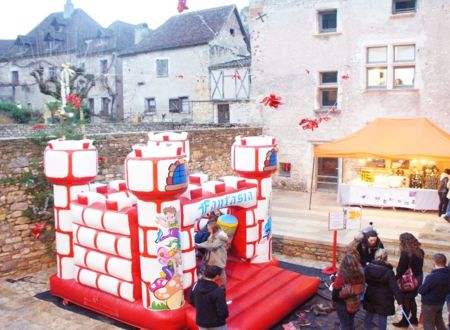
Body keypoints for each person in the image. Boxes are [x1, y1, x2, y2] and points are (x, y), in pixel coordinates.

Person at [363, 249, 403, 330]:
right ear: (386, 258)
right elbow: (394, 287)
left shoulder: (367, 268)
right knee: (382, 318)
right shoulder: (389, 271)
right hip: (384, 298)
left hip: (371, 294)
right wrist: (400, 301)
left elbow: (365, 280)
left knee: (369, 315)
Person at [393, 232, 424, 327]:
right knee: (412, 298)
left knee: (405, 299)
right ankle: (414, 318)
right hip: (418, 277)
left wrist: (395, 279)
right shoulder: (420, 251)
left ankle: (404, 321)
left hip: (408, 280)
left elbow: (401, 269)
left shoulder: (405, 254)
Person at [189, 265, 229, 330]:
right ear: (217, 276)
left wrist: (201, 307)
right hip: (217, 324)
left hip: (201, 321)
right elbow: (223, 312)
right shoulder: (218, 291)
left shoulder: (195, 285)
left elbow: (191, 300)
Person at [332, 254, 365, 330]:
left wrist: (334, 301)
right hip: (355, 302)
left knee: (344, 325)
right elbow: (362, 288)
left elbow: (335, 293)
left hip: (342, 304)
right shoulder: (361, 274)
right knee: (351, 321)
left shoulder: (342, 276)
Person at [418, 253, 450, 330]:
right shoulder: (448, 275)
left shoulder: (432, 277)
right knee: (439, 322)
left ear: (434, 263)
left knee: (428, 324)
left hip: (429, 305)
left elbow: (422, 290)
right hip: (440, 302)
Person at [195, 221, 229, 288]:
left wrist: (200, 246)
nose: (208, 230)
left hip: (219, 257)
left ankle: (224, 285)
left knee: (221, 271)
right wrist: (198, 245)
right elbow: (208, 242)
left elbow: (213, 245)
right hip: (211, 256)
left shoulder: (220, 236)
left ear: (213, 228)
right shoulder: (213, 233)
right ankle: (210, 283)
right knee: (209, 269)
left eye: (209, 228)